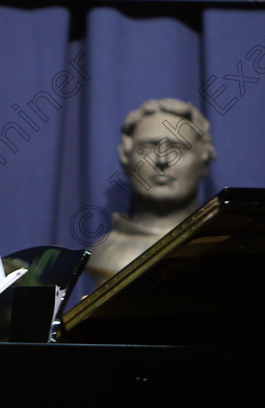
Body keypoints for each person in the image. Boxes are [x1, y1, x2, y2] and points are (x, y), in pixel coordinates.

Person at [86, 98, 216, 286]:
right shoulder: (104, 252)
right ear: (125, 157)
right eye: (147, 148)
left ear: (203, 160)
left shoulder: (221, 247)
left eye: (177, 148)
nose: (162, 160)